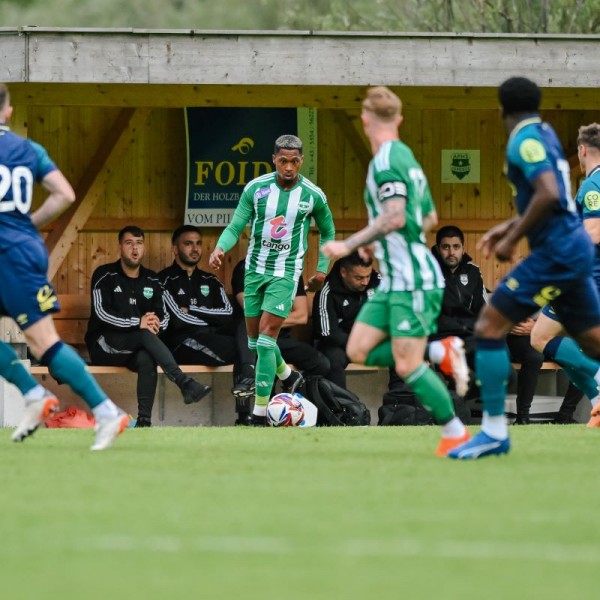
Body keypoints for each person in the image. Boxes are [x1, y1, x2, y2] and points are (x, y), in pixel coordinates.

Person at [449, 77, 600, 459]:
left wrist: (513, 235)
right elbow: (548, 196)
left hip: (556, 253)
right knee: (591, 340)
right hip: (574, 249)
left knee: (488, 326)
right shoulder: (545, 132)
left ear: (502, 109)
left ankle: (495, 432)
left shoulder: (524, 139)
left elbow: (548, 193)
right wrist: (506, 226)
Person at [322, 86, 470, 456]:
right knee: (357, 348)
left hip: (414, 279)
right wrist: (384, 241)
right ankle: (439, 352)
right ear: (400, 120)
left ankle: (455, 432)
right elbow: (429, 217)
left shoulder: (386, 161)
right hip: (395, 280)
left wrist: (350, 244)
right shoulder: (406, 157)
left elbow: (395, 215)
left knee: (406, 364)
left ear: (365, 119)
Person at [0, 82, 128, 450]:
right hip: (24, 249)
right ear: (8, 112)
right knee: (42, 341)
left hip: (8, 255)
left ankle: (104, 411)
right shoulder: (30, 149)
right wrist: (29, 222)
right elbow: (65, 195)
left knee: (42, 342)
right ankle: (37, 396)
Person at [209, 134, 336, 425]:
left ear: (301, 161)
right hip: (254, 272)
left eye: (294, 161)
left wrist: (321, 269)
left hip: (285, 273)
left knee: (266, 341)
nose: (288, 167)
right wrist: (219, 248)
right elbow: (236, 224)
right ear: (274, 160)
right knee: (255, 344)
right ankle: (286, 374)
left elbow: (328, 232)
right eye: (283, 161)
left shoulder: (313, 195)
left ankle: (260, 413)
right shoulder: (256, 189)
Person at [86, 225, 211, 427]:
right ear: (119, 247)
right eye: (129, 244)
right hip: (104, 344)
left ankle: (144, 421)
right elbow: (102, 314)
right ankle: (184, 382)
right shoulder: (105, 275)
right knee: (144, 335)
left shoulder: (152, 279)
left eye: (139, 243)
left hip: (135, 346)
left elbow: (164, 316)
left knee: (146, 358)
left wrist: (156, 325)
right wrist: (139, 322)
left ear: (144, 247)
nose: (134, 249)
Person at [432, 225, 543, 422]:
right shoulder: (427, 273)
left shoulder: (473, 272)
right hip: (440, 339)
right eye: (446, 247)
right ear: (438, 248)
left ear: (463, 248)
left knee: (506, 374)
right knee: (466, 375)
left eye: (456, 247)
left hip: (471, 337)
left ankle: (454, 400)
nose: (451, 252)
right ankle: (451, 407)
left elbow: (483, 311)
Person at [529, 122, 600, 427]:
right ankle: (597, 402)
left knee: (540, 337)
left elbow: (593, 231)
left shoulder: (593, 185)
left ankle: (598, 381)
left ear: (582, 150)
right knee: (543, 337)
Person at [159, 225, 256, 425]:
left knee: (244, 324)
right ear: (175, 249)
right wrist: (209, 317)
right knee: (244, 348)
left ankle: (247, 381)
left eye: (198, 244)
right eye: (188, 244)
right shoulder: (163, 281)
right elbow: (178, 320)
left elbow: (228, 314)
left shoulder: (210, 280)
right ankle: (244, 414)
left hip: (212, 337)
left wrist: (192, 310)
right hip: (182, 342)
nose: (195, 249)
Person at [231, 259, 330, 388]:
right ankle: (250, 377)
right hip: (254, 341)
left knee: (322, 364)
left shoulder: (291, 268)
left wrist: (269, 321)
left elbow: (301, 316)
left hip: (281, 339)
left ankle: (293, 396)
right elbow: (251, 312)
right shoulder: (246, 267)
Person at [312, 252, 380, 389]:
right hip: (340, 344)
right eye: (359, 277)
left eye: (368, 276)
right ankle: (341, 407)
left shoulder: (379, 282)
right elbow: (328, 333)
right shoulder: (327, 291)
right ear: (344, 272)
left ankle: (400, 405)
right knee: (332, 361)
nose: (365, 282)